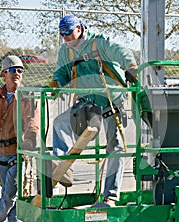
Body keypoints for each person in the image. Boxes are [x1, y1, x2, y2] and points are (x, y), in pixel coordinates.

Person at [51, 14, 138, 206]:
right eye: (62, 34)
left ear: (79, 29)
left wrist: (131, 67)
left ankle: (110, 196)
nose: (65, 37)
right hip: (88, 103)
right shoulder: (66, 51)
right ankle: (61, 165)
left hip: (111, 102)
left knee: (115, 147)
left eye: (68, 33)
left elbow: (120, 51)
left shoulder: (99, 43)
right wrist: (55, 83)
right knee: (60, 123)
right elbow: (62, 72)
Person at [0, 55, 39, 222]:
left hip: (17, 153)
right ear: (3, 74)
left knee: (9, 195)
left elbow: (32, 123)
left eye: (20, 70)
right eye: (12, 70)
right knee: (9, 194)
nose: (17, 73)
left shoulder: (27, 97)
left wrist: (30, 143)